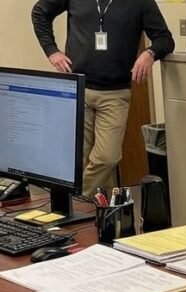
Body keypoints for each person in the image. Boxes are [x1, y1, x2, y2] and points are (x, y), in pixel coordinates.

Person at [31, 0, 175, 196]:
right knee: (77, 160)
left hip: (115, 94)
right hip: (77, 89)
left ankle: (75, 200)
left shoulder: (140, 2)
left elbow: (165, 39)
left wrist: (150, 53)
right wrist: (51, 51)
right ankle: (95, 211)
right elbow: (40, 12)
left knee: (107, 158)